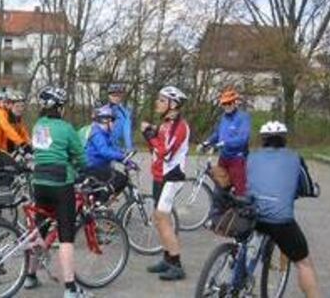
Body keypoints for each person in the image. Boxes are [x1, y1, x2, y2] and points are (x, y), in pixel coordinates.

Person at [24, 86, 88, 298]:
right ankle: (70, 289)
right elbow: (80, 156)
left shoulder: (38, 126)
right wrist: (81, 166)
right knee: (66, 237)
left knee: (39, 229)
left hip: (40, 182)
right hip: (61, 184)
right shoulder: (66, 128)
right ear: (59, 108)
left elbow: (42, 151)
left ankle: (30, 276)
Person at [246, 121, 322, 298]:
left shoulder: (251, 157)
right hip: (280, 221)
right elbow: (307, 188)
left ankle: (238, 273)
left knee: (244, 242)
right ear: (284, 140)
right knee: (303, 262)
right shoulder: (295, 158)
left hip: (251, 214)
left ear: (263, 140)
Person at [140, 85, 189, 281]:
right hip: (159, 176)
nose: (157, 103)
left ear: (173, 104)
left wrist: (149, 135)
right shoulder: (165, 124)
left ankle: (176, 264)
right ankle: (167, 259)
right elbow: (156, 148)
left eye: (162, 100)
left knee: (161, 217)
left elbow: (166, 152)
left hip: (172, 177)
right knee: (160, 218)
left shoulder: (179, 126)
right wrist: (152, 133)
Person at [199, 88, 251, 195]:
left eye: (229, 103)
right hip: (224, 158)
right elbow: (217, 134)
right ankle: (221, 210)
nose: (227, 106)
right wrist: (206, 142)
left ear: (235, 103)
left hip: (237, 158)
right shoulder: (223, 117)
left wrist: (225, 143)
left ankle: (240, 211)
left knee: (239, 191)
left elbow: (243, 139)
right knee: (220, 188)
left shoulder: (243, 117)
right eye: (224, 104)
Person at [83, 107, 129, 196]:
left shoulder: (104, 134)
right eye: (112, 121)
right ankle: (101, 201)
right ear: (104, 120)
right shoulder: (97, 133)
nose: (114, 124)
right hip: (93, 167)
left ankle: (97, 203)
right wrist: (122, 157)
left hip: (97, 166)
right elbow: (104, 151)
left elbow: (112, 150)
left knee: (98, 189)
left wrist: (125, 159)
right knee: (121, 178)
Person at [101, 83, 134, 152]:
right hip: (105, 147)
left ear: (121, 97)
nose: (116, 98)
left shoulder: (125, 113)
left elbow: (127, 131)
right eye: (113, 96)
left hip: (119, 148)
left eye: (118, 96)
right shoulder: (103, 111)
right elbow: (98, 130)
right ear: (109, 96)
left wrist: (129, 147)